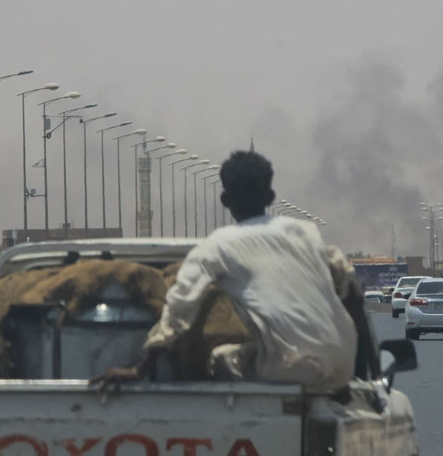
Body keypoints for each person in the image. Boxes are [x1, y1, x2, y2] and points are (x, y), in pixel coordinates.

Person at [95, 150, 358, 393]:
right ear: (270, 197)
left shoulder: (217, 245)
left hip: (288, 368)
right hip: (345, 364)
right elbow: (349, 284)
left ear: (225, 200)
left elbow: (179, 310)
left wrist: (139, 369)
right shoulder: (306, 232)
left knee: (222, 358)